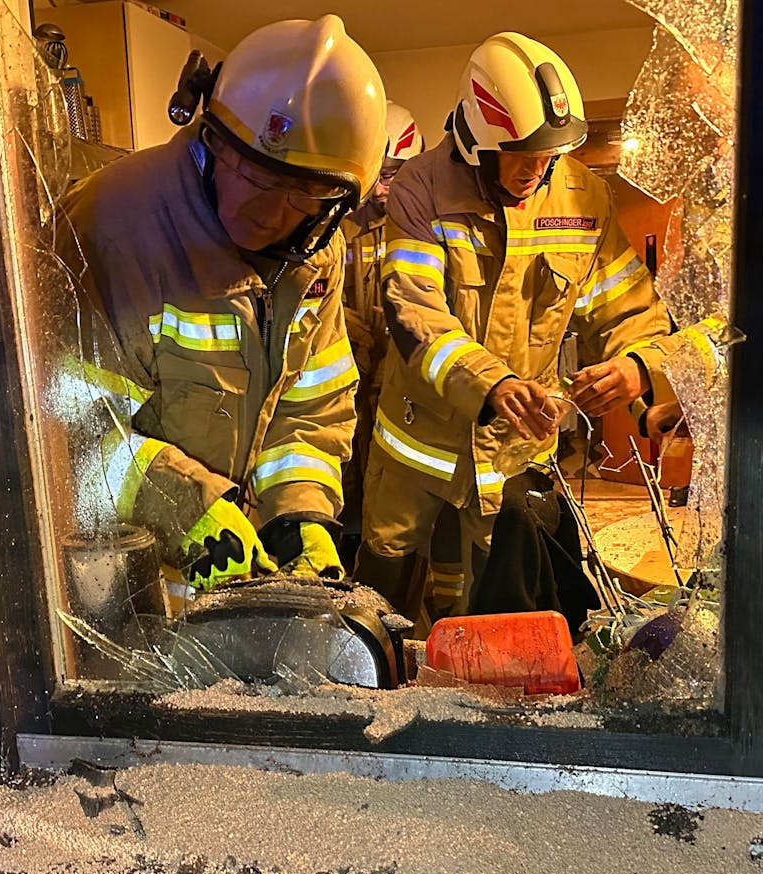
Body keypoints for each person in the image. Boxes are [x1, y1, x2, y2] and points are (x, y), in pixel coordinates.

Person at [52, 16, 387, 594]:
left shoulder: (315, 260)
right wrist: (187, 507)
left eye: (302, 193)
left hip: (231, 571)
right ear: (209, 134)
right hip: (121, 581)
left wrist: (299, 514)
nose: (266, 209)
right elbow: (64, 434)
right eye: (251, 172)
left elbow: (311, 405)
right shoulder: (110, 228)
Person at [354, 32, 679, 616]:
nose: (539, 171)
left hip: (517, 463)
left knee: (498, 621)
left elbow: (629, 310)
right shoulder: (420, 193)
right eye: (523, 155)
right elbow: (415, 316)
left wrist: (636, 369)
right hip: (417, 461)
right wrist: (494, 385)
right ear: (478, 142)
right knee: (385, 611)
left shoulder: (584, 197)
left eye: (549, 155)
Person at [337, 101, 422, 564]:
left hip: (400, 383)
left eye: (397, 173)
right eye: (380, 173)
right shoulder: (340, 224)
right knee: (349, 472)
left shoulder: (419, 226)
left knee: (396, 483)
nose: (385, 187)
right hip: (351, 377)